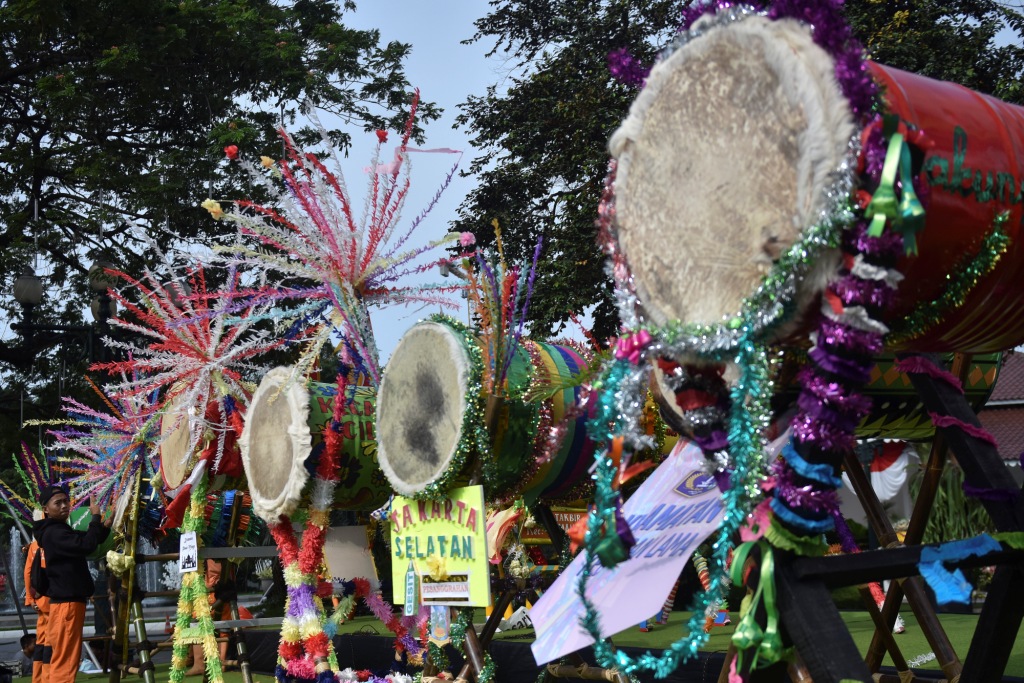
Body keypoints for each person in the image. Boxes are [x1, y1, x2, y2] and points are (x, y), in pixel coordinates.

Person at [33, 485, 112, 683]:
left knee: (57, 656)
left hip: (63, 604)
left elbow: (86, 539)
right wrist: (94, 517)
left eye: (65, 501)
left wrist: (105, 526)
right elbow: (85, 545)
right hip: (66, 604)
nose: (64, 506)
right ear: (45, 509)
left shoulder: (57, 530)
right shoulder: (54, 533)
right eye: (57, 503)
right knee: (66, 659)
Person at [23, 520, 49, 683]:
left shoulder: (33, 546)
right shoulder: (53, 542)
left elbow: (27, 573)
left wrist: (30, 598)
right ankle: (47, 678)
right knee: (53, 643)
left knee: (42, 642)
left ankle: (38, 679)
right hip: (55, 600)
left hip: (40, 600)